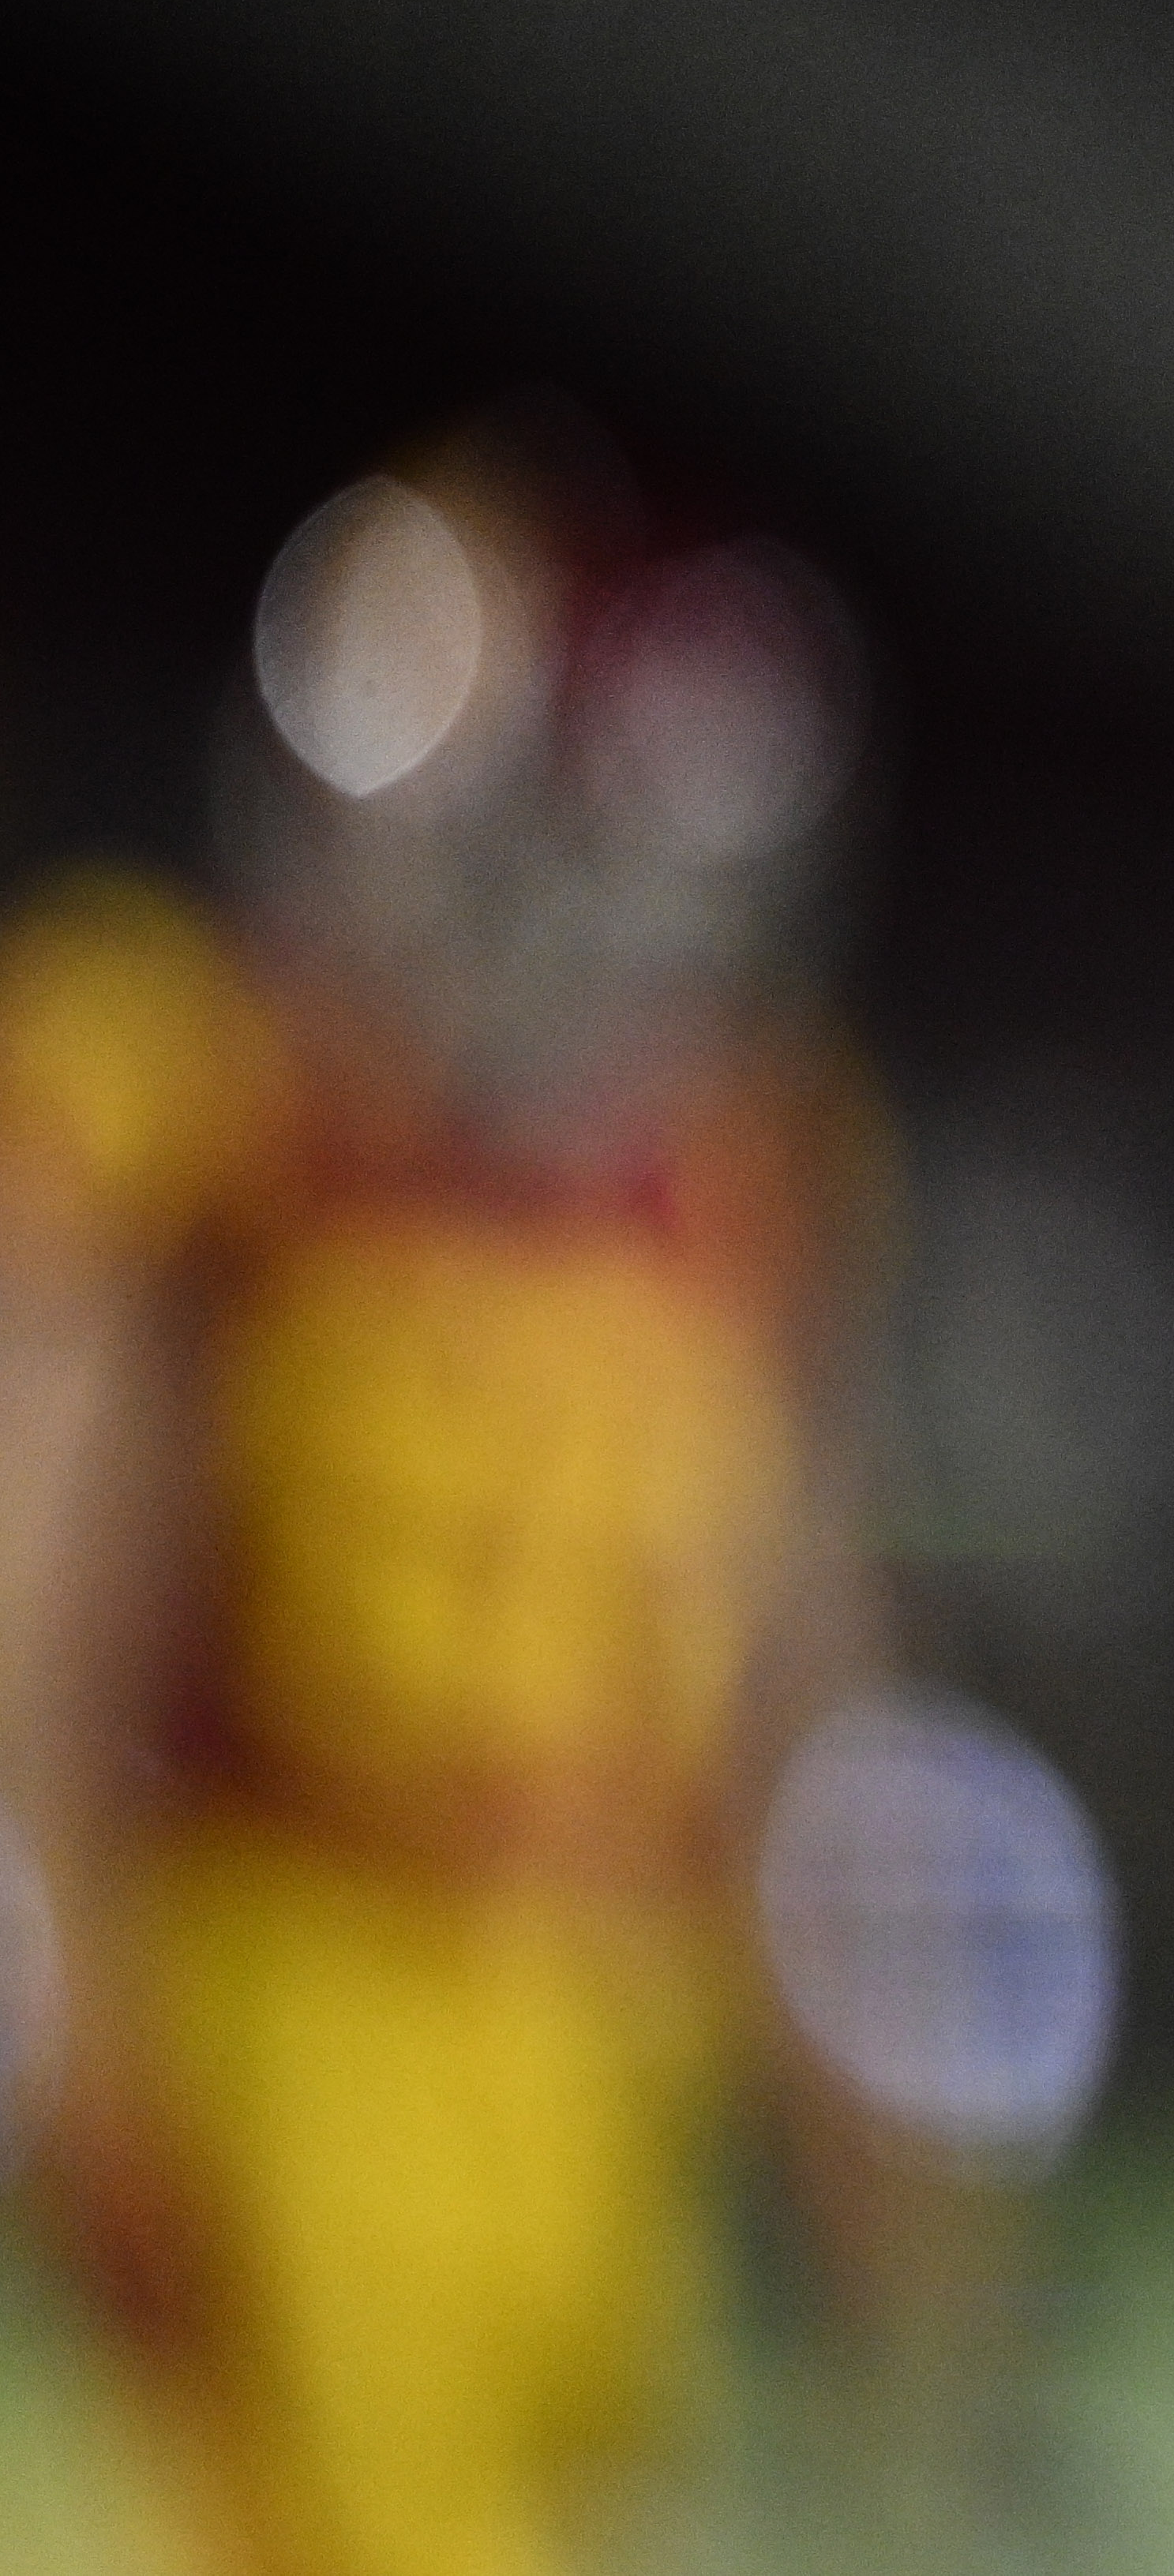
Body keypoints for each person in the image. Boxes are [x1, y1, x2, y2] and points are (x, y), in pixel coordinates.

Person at [0, 433, 907, 2576]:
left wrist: (843, 2085)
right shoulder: (210, 1100)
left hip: (602, 2004)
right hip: (300, 1976)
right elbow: (49, 1601)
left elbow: (795, 1654)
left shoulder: (744, 1169)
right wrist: (87, 2038)